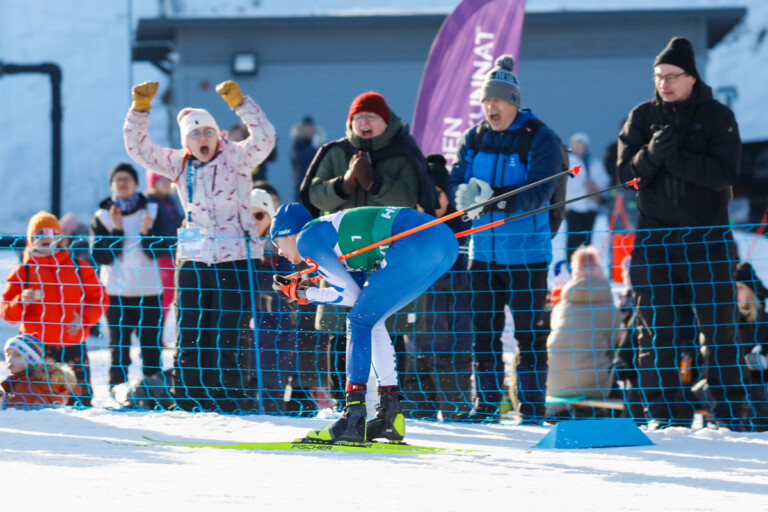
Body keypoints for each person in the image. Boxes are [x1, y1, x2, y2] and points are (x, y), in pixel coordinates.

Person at [617, 36, 750, 430]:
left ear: (692, 77)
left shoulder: (717, 116)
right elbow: (626, 178)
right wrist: (652, 155)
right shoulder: (641, 117)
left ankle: (730, 414)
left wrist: (677, 157)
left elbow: (723, 175)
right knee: (655, 330)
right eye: (658, 76)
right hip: (655, 240)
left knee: (719, 329)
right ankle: (665, 414)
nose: (664, 84)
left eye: (672, 76)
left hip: (706, 237)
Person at [123, 79, 276, 412]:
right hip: (194, 259)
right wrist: (139, 110)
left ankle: (229, 396)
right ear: (186, 141)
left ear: (218, 134)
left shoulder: (237, 157)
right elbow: (140, 149)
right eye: (195, 134)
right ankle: (189, 396)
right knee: (190, 330)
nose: (203, 139)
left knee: (227, 332)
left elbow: (265, 138)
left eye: (208, 132)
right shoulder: (179, 163)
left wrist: (240, 103)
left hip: (237, 257)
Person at [270, 203, 458, 443]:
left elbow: (345, 296)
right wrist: (305, 292)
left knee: (358, 320)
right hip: (442, 242)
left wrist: (304, 294)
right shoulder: (330, 237)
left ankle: (354, 416)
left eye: (277, 242)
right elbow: (354, 297)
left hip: (420, 239)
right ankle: (390, 415)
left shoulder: (306, 237)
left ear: (290, 233)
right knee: (369, 318)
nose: (278, 252)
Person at [447, 54, 563, 424]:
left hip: (527, 254)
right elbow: (456, 178)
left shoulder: (540, 137)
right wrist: (462, 197)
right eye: (485, 101)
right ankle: (486, 404)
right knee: (483, 333)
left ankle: (531, 408)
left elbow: (539, 192)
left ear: (513, 102)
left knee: (529, 335)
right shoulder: (474, 136)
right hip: (482, 251)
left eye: (497, 100)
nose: (490, 107)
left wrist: (492, 196)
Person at [303, 91, 432, 405]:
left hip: (387, 257)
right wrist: (344, 185)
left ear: (385, 122)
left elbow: (408, 200)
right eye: (358, 118)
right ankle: (344, 400)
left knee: (389, 326)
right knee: (341, 328)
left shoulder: (402, 154)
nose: (364, 123)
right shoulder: (333, 152)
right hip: (341, 258)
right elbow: (314, 195)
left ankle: (389, 399)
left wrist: (375, 183)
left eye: (371, 117)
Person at [0, 211, 109, 406]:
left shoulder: (78, 266)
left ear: (59, 238)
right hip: (36, 351)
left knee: (79, 401)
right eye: (39, 233)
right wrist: (21, 301)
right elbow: (7, 313)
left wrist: (83, 319)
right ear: (31, 239)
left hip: (73, 345)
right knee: (40, 399)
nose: (45, 237)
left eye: (50, 232)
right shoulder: (23, 271)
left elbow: (100, 298)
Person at [405, 154, 474, 420]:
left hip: (453, 348)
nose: (428, 202)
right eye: (423, 195)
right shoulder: (410, 233)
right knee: (416, 419)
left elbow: (460, 278)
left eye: (435, 194)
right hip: (416, 347)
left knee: (457, 418)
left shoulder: (463, 230)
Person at [90, 162, 165, 393]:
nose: (122, 183)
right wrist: (116, 230)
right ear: (112, 185)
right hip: (116, 292)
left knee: (151, 345)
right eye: (118, 180)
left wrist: (146, 234)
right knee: (119, 346)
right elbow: (101, 256)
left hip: (149, 291)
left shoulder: (152, 211)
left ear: (136, 184)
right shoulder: (103, 215)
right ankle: (117, 389)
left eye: (127, 179)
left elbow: (161, 251)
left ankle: (154, 389)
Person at [546, 246, 620, 413]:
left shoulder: (561, 306)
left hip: (552, 384)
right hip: (593, 385)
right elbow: (613, 345)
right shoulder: (609, 306)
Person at [145, 170, 185, 323]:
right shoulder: (151, 202)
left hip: (173, 251)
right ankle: (156, 331)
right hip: (161, 254)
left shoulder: (170, 201)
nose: (167, 183)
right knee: (166, 293)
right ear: (153, 183)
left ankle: (161, 332)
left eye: (168, 180)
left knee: (172, 292)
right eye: (162, 180)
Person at [564, 132, 611, 261]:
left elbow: (604, 179)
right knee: (574, 237)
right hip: (574, 206)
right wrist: (585, 186)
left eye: (582, 145)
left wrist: (594, 186)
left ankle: (587, 264)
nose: (580, 148)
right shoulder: (568, 162)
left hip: (591, 205)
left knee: (587, 237)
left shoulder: (594, 162)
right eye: (577, 145)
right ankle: (572, 264)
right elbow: (565, 183)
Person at [1, 333, 77, 409]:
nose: (9, 359)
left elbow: (15, 415)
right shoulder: (19, 381)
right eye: (7, 355)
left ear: (32, 360)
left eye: (17, 355)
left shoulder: (28, 386)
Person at [734, 261, 768, 429]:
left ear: (751, 291)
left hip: (759, 384)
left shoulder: (764, 323)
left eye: (740, 288)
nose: (736, 293)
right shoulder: (724, 324)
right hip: (730, 382)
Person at [290, 115, 319, 202]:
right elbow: (301, 158)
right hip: (301, 184)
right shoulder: (297, 144)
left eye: (310, 127)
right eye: (306, 127)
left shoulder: (317, 143)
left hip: (315, 184)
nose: (309, 130)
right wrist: (314, 147)